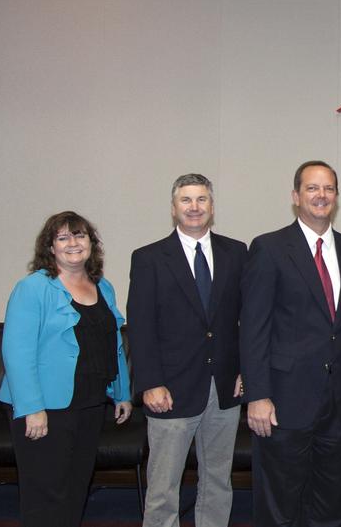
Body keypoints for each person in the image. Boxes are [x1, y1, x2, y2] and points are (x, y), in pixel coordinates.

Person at [240, 161, 341, 527]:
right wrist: (257, 394)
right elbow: (254, 328)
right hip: (283, 400)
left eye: (328, 188)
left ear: (336, 196)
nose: (321, 196)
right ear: (295, 196)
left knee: (330, 501)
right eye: (312, 188)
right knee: (279, 505)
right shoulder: (269, 248)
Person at [0, 211, 133, 526]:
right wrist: (31, 407)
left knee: (75, 488)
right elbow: (17, 352)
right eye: (63, 237)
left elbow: (112, 343)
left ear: (91, 243)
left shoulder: (103, 286)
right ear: (51, 247)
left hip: (89, 403)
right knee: (45, 493)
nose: (73, 243)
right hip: (45, 407)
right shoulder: (32, 288)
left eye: (80, 235)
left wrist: (122, 393)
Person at [127, 173, 247, 527]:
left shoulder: (236, 252)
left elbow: (246, 319)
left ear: (212, 206)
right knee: (164, 488)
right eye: (186, 200)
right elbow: (141, 325)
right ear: (173, 208)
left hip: (225, 387)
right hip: (171, 389)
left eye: (201, 200)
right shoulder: (149, 258)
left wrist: (244, 371)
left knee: (218, 482)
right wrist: (150, 382)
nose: (194, 207)